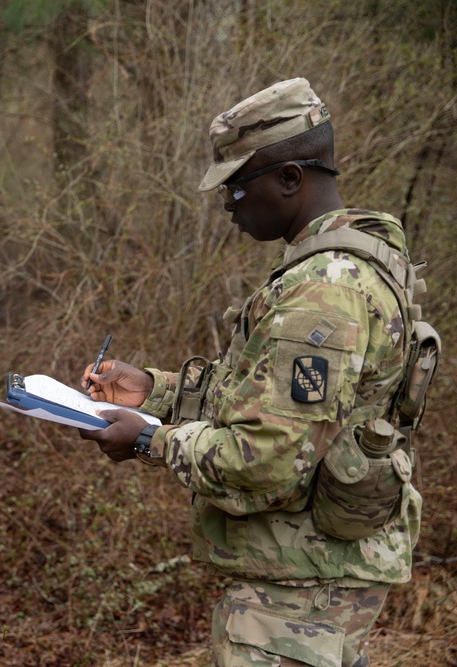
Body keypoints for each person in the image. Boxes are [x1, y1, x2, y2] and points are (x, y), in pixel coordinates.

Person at [79, 78, 424, 667]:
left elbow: (266, 458)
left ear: (291, 178)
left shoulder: (323, 292)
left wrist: (148, 439)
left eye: (236, 189)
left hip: (300, 591)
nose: (226, 207)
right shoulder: (338, 269)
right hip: (311, 580)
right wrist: (157, 392)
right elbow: (272, 401)